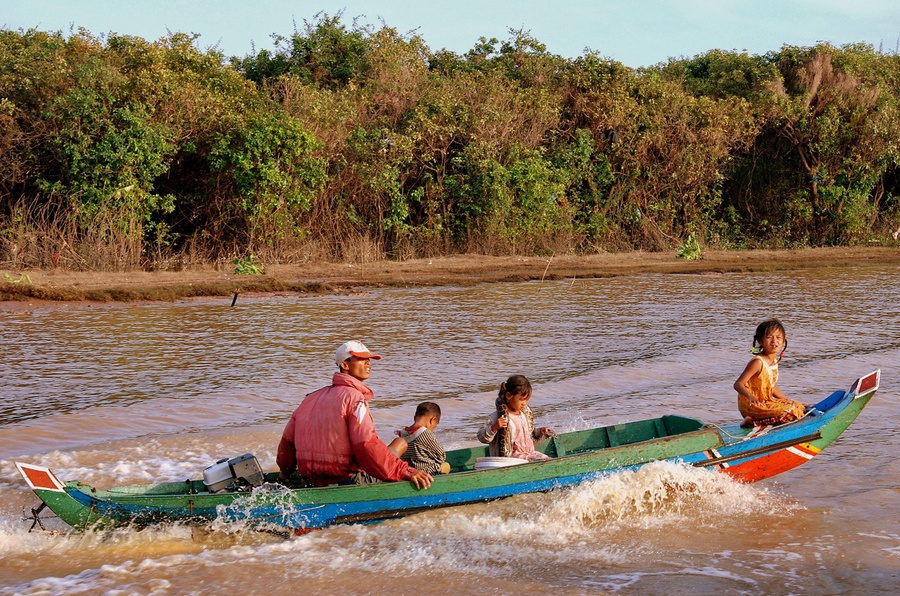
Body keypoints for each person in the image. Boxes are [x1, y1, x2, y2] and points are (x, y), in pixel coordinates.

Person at [276, 340, 433, 489]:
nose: (368, 363)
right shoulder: (355, 398)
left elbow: (287, 443)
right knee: (401, 443)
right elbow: (366, 445)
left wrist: (285, 472)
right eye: (361, 359)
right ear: (345, 365)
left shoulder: (309, 399)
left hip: (312, 479)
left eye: (369, 359)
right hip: (347, 479)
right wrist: (404, 470)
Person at [734, 318, 807, 428]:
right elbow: (738, 384)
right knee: (790, 413)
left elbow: (773, 388)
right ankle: (752, 423)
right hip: (753, 406)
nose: (774, 341)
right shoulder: (758, 362)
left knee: (797, 406)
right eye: (769, 337)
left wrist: (788, 401)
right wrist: (751, 396)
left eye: (778, 338)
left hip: (766, 402)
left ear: (783, 342)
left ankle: (759, 420)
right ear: (760, 341)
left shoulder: (773, 362)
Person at [477, 374, 556, 462]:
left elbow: (529, 436)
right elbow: (481, 436)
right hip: (510, 458)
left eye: (526, 400)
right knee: (537, 461)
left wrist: (541, 432)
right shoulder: (499, 417)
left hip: (530, 453)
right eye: (521, 399)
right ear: (508, 395)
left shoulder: (524, 414)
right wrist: (494, 427)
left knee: (548, 460)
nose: (524, 403)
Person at [392, 401, 451, 476]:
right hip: (426, 473)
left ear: (414, 417)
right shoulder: (425, 434)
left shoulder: (403, 433)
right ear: (432, 420)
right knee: (446, 465)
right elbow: (441, 456)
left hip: (409, 472)